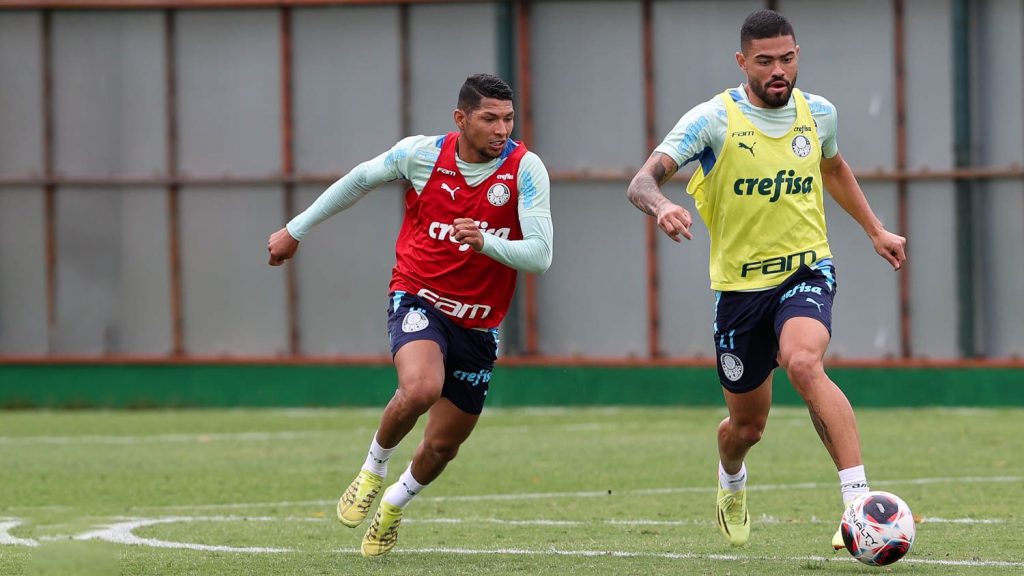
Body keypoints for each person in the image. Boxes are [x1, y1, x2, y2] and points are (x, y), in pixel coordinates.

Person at [626, 10, 906, 549]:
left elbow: (832, 167)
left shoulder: (818, 113)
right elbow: (642, 180)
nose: (779, 70)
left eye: (787, 58)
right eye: (765, 61)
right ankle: (731, 478)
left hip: (806, 269)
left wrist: (875, 230)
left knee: (803, 360)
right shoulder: (712, 120)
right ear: (742, 62)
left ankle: (857, 505)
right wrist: (661, 206)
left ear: (797, 54)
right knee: (746, 429)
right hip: (738, 292)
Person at [266, 73, 553, 557]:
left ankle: (394, 505)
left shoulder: (526, 170)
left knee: (443, 447)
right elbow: (359, 180)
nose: (502, 129)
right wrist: (296, 229)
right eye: (489, 119)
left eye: (508, 118)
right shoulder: (420, 155)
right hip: (419, 296)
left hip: (479, 324)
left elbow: (541, 255)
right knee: (421, 387)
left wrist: (485, 241)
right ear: (460, 119)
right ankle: (373, 470)